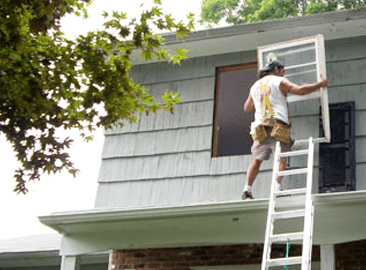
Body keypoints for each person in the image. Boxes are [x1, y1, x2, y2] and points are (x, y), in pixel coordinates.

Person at [242, 59, 328, 200]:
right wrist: (321, 84)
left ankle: (247, 190)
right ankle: (276, 188)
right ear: (276, 69)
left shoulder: (255, 85)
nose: (283, 73)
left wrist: (262, 99)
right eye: (282, 70)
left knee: (256, 160)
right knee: (281, 158)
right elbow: (300, 90)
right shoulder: (279, 81)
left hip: (260, 128)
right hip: (277, 126)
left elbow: (247, 108)